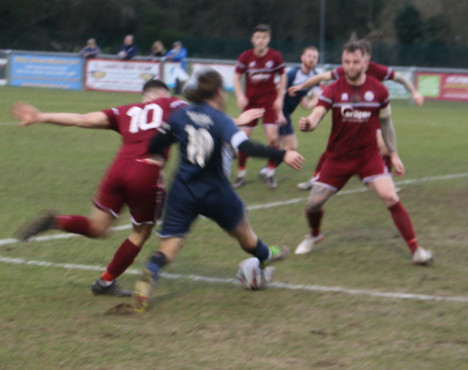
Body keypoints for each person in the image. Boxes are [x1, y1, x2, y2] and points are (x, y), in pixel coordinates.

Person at [131, 69, 304, 312]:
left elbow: (155, 145)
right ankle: (265, 254)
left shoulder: (180, 115)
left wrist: (160, 153)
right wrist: (283, 153)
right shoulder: (221, 119)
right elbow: (246, 147)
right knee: (244, 231)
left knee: (167, 249)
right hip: (215, 192)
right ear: (219, 93)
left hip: (183, 190)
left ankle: (151, 271)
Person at [12, 80, 188, 296]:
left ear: (144, 95)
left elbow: (82, 120)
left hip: (118, 169)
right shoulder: (172, 104)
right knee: (140, 234)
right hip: (146, 171)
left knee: (97, 227)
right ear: (163, 93)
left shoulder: (125, 111)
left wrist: (41, 116)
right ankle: (105, 282)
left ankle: (58, 221)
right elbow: (206, 118)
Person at [295, 41, 432, 265]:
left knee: (390, 196)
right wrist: (309, 123)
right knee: (312, 205)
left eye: (355, 62)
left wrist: (394, 155)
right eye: (346, 62)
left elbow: (387, 125)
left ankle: (416, 250)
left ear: (364, 62)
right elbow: (318, 113)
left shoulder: (379, 90)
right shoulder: (333, 89)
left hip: (368, 157)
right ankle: (314, 235)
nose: (350, 66)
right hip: (338, 158)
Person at [291, 39, 424, 190]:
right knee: (336, 148)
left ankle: (383, 179)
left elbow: (401, 79)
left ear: (367, 59)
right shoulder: (347, 70)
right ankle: (316, 179)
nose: (359, 62)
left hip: (371, 117)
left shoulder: (377, 70)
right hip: (350, 115)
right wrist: (302, 86)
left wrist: (414, 92)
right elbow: (322, 77)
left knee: (385, 147)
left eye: (364, 58)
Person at [256, 46, 321, 186]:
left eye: (315, 57)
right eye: (309, 56)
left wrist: (309, 104)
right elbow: (277, 93)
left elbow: (313, 99)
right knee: (288, 144)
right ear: (302, 57)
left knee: (282, 145)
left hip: (286, 113)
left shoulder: (315, 77)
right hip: (278, 110)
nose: (312, 59)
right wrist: (279, 114)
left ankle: (267, 169)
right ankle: (268, 171)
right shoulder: (292, 74)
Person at [233, 24, 287, 189]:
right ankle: (241, 173)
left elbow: (283, 76)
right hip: (251, 103)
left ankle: (270, 173)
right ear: (252, 39)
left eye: (264, 37)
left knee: (272, 138)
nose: (260, 40)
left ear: (268, 39)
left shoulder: (275, 56)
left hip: (269, 103)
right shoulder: (245, 57)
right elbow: (236, 77)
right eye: (257, 37)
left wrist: (279, 99)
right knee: (244, 139)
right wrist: (240, 96)